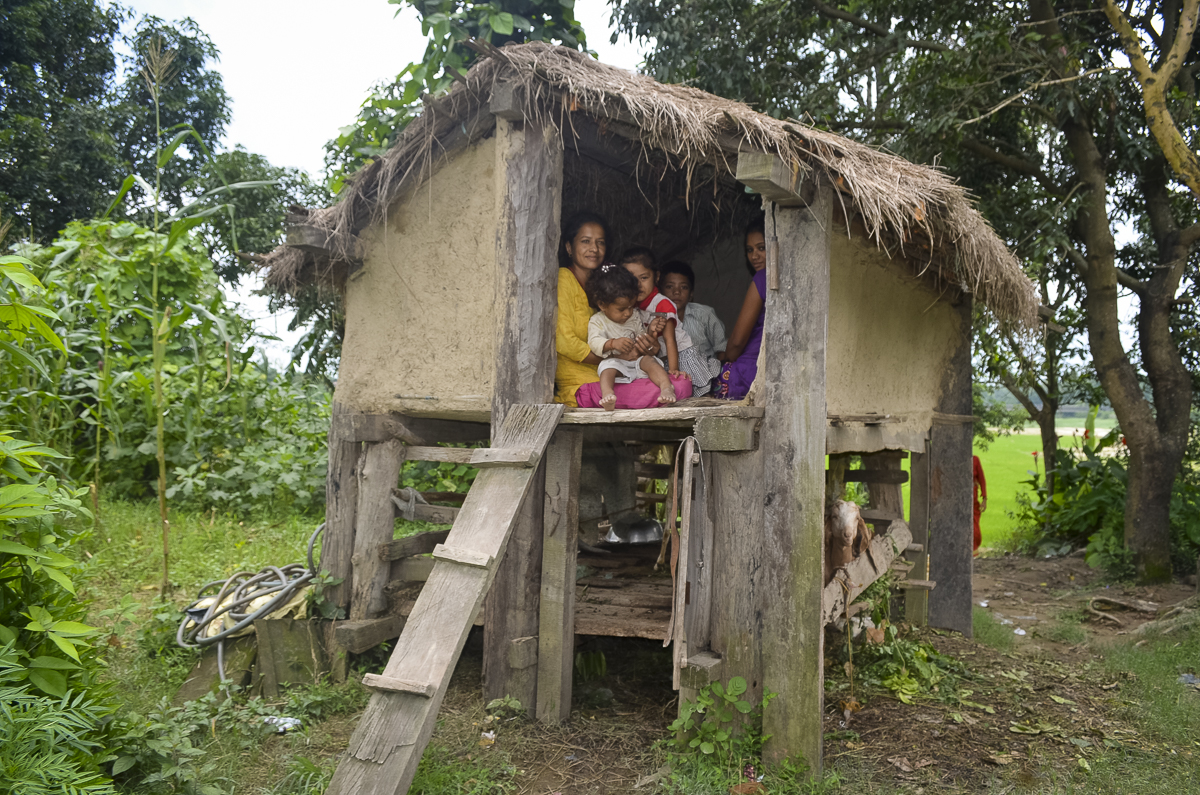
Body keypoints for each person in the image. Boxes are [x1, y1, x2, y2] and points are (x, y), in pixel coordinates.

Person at [554, 212, 657, 406]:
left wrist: (648, 346)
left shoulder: (607, 285)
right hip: (580, 385)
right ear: (569, 247)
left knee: (673, 382)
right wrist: (617, 355)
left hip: (616, 377)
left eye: (600, 242)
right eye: (585, 241)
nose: (594, 249)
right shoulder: (563, 279)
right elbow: (564, 342)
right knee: (673, 388)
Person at [619, 246, 714, 394]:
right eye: (631, 279)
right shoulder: (631, 306)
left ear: (656, 277)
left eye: (644, 278)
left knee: (693, 396)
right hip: (661, 358)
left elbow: (670, 340)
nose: (637, 285)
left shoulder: (662, 304)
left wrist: (674, 370)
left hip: (681, 355)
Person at [586, 264, 675, 409]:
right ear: (602, 305)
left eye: (631, 307)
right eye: (621, 309)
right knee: (606, 368)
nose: (628, 313)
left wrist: (650, 332)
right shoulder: (597, 321)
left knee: (650, 361)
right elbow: (594, 343)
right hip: (617, 363)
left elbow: (640, 336)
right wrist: (612, 344)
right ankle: (608, 395)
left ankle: (666, 387)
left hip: (637, 361)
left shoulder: (633, 316)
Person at [713, 219, 767, 400]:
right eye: (750, 250)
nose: (754, 256)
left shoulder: (762, 278)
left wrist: (727, 358)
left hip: (750, 372)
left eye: (761, 248)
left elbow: (736, 342)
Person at [659, 260, 726, 396]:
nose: (676, 292)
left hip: (707, 377)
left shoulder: (705, 315)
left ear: (691, 294)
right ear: (659, 292)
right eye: (669, 286)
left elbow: (722, 350)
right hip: (670, 380)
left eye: (683, 287)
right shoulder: (654, 319)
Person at [973, 454, 987, 554]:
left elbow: (982, 480)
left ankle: (973, 550)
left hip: (973, 502)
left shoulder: (975, 460)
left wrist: (984, 498)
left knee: (975, 530)